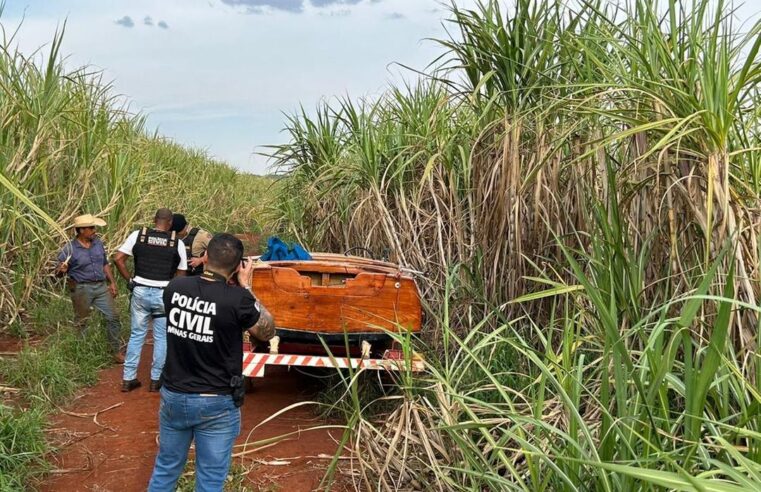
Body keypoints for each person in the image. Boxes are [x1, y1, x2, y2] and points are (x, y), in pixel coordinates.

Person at [147, 233, 274, 492]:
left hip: (174, 395)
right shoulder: (238, 300)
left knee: (166, 467)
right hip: (217, 401)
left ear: (205, 257)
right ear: (239, 266)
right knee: (211, 477)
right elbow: (267, 331)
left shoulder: (174, 289)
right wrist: (246, 285)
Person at [114, 208, 187, 392]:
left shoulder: (139, 235)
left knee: (137, 335)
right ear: (170, 223)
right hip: (163, 293)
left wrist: (130, 280)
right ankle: (156, 381)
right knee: (161, 337)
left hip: (140, 292)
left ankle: (128, 379)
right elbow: (182, 273)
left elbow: (118, 259)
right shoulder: (176, 243)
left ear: (154, 219)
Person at [55, 214, 123, 363]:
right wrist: (62, 269)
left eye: (94, 227)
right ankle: (82, 354)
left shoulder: (98, 243)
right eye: (91, 228)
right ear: (81, 230)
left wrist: (112, 282)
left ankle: (115, 351)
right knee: (82, 321)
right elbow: (58, 274)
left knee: (113, 317)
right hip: (81, 288)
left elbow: (104, 264)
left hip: (100, 286)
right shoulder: (69, 249)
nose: (94, 230)